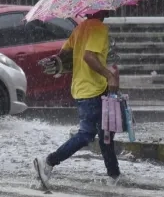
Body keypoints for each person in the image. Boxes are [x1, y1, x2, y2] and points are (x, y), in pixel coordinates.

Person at [33, 10, 121, 187]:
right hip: (93, 89)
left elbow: (64, 53)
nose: (112, 9)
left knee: (106, 133)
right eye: (107, 7)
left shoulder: (80, 28)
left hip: (82, 87)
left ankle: (114, 174)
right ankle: (49, 162)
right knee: (87, 134)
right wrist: (108, 74)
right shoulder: (99, 28)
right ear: (100, 9)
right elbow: (89, 57)